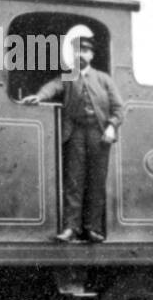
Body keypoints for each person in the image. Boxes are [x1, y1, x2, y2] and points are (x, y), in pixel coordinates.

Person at [21, 32, 124, 243]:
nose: (81, 54)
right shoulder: (69, 75)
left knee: (96, 183)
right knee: (74, 181)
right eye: (77, 50)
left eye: (85, 51)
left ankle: (92, 228)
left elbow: (119, 109)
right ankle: (71, 228)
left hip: (99, 134)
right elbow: (53, 86)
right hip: (75, 132)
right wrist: (39, 96)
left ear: (92, 55)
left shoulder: (104, 80)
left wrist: (112, 127)